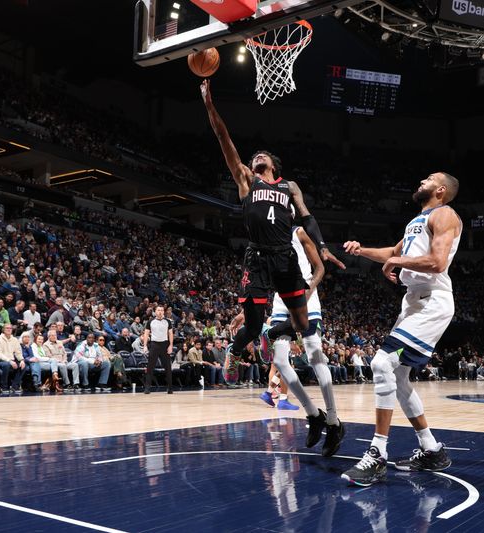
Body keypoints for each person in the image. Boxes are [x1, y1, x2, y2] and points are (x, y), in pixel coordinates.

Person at [200, 80, 343, 392]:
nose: (256, 158)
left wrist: (321, 245)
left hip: (285, 257)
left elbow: (306, 217)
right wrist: (210, 105)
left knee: (303, 323)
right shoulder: (246, 182)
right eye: (254, 157)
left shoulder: (288, 187)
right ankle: (235, 352)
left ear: (274, 165)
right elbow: (223, 138)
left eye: (262, 156)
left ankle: (269, 335)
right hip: (258, 255)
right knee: (251, 324)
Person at [341, 171, 462, 487]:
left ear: (440, 189)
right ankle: (432, 449)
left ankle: (377, 454)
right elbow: (393, 253)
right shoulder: (415, 221)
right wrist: (362, 250)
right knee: (398, 377)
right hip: (412, 302)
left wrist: (399, 262)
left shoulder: (445, 214)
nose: (421, 179)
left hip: (432, 301)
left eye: (429, 178)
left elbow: (437, 262)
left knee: (381, 363)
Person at [143, 305, 173, 394]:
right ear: (155, 311)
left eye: (162, 310)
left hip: (165, 344)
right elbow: (146, 334)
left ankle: (170, 388)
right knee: (150, 367)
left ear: (164, 312)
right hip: (154, 344)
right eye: (158, 310)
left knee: (168, 367)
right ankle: (147, 388)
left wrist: (170, 345)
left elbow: (170, 334)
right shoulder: (150, 321)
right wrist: (145, 345)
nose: (160, 312)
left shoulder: (168, 321)